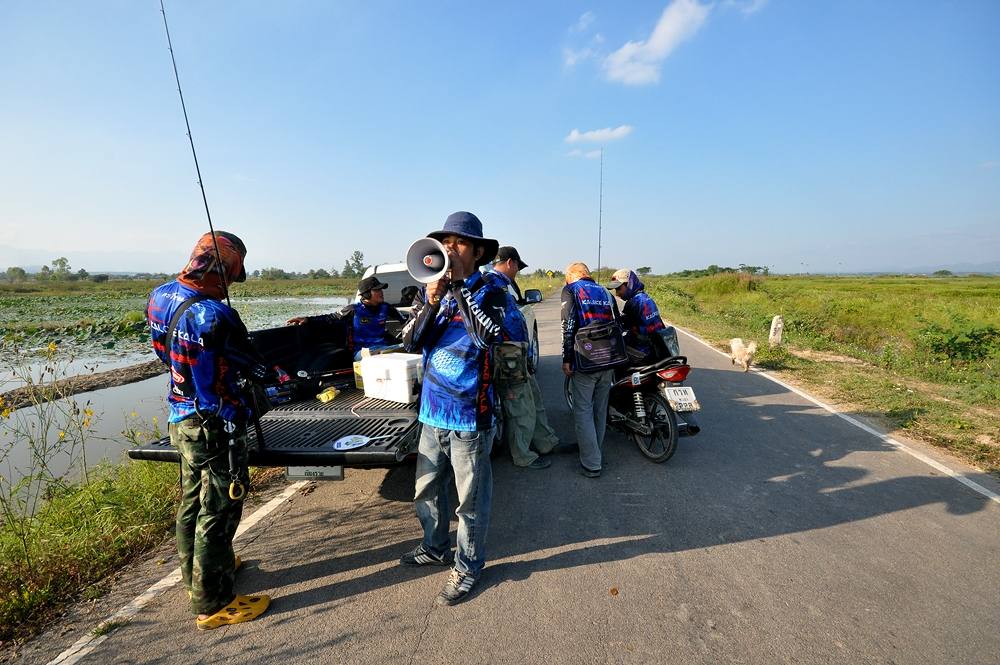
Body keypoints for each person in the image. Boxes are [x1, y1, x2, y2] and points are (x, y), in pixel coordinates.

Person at [146, 231, 278, 630]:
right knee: (220, 508)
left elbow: (160, 352)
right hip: (216, 424)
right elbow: (255, 368)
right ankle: (214, 603)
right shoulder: (216, 315)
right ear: (222, 270)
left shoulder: (159, 295)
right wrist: (281, 378)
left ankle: (200, 571)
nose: (228, 288)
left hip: (180, 416)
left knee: (192, 499)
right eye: (230, 278)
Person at [399, 211, 506, 606]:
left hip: (469, 419)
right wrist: (430, 300)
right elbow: (410, 342)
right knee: (426, 490)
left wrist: (457, 288)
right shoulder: (431, 291)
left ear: (477, 251)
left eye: (458, 243)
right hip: (431, 414)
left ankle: (468, 566)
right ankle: (434, 546)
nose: (449, 249)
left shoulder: (491, 291)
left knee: (470, 502)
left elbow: (486, 337)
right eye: (445, 242)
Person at [485, 246, 561, 470]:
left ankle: (545, 443)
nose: (517, 271)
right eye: (517, 266)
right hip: (505, 352)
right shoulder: (491, 285)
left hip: (514, 351)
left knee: (533, 399)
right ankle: (523, 455)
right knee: (519, 406)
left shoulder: (500, 285)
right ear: (510, 262)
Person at [561, 262, 622, 478]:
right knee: (600, 408)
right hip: (609, 358)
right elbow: (618, 324)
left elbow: (568, 326)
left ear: (572, 276)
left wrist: (567, 358)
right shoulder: (605, 292)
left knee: (583, 410)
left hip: (585, 359)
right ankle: (595, 450)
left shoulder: (572, 290)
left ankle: (592, 463)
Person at [288, 275, 404, 360]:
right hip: (363, 353)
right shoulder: (354, 310)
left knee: (405, 350)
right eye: (377, 290)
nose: (381, 292)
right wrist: (308, 319)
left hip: (385, 349)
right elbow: (330, 318)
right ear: (367, 294)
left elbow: (406, 322)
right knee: (379, 359)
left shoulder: (386, 307)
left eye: (381, 289)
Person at [605, 268, 666, 364]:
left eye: (618, 288)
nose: (617, 293)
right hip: (658, 346)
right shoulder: (646, 297)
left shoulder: (633, 303)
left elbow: (621, 327)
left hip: (643, 350)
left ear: (629, 284)